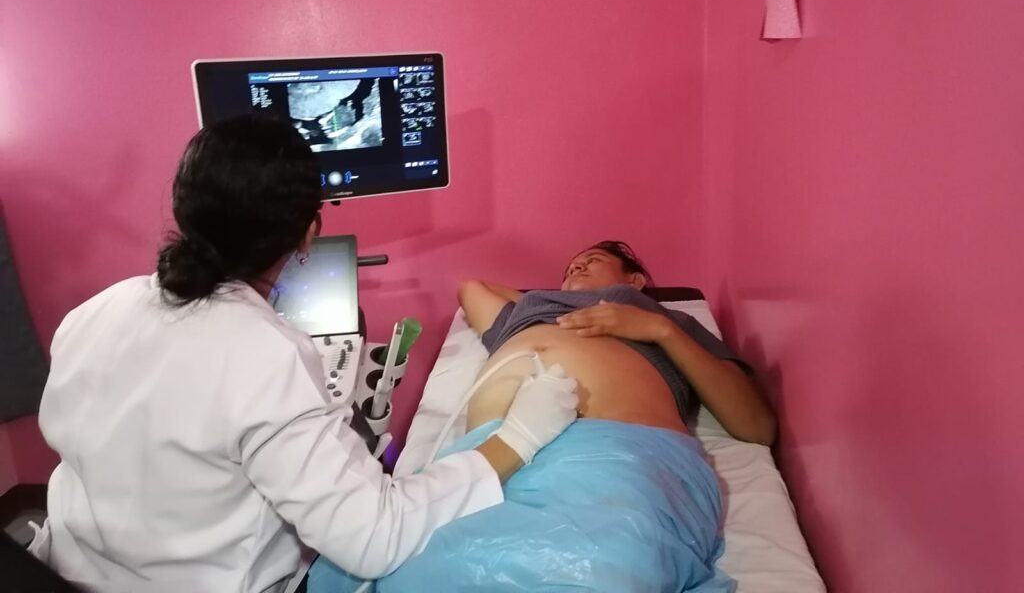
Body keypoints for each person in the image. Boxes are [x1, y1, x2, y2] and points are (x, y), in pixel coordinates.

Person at [30, 115, 578, 592]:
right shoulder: (263, 355)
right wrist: (519, 437)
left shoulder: (96, 311)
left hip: (59, 575)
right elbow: (375, 537)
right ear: (309, 233)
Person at [459, 241, 776, 445]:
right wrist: (544, 300)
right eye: (570, 269)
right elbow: (472, 288)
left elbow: (756, 427)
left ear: (635, 281)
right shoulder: (532, 310)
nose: (576, 266)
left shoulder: (669, 322)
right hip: (490, 455)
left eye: (593, 260)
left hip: (616, 451)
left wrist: (659, 330)